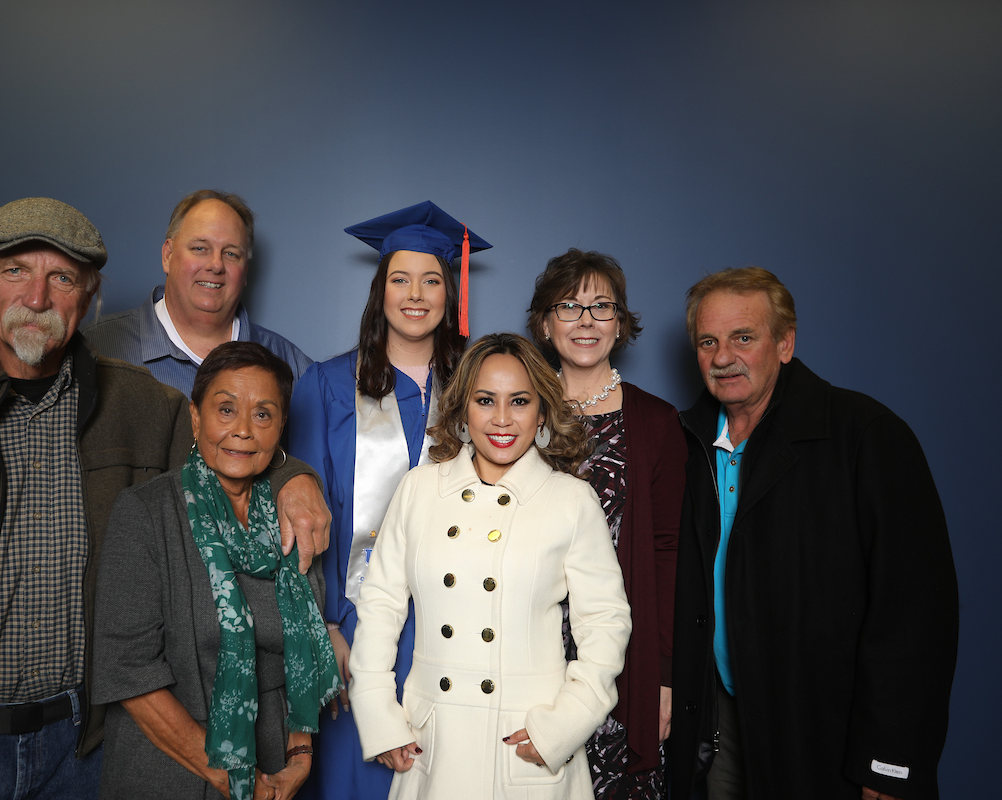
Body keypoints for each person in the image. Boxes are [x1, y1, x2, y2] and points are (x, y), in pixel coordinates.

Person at [0, 198, 325, 800]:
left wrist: (297, 479)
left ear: (90, 292)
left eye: (62, 278)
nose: (38, 297)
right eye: (15, 271)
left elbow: (240, 451)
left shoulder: (143, 407)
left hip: (88, 750)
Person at [669, 267, 958, 800]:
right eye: (708, 341)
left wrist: (889, 765)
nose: (724, 356)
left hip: (830, 738)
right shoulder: (684, 445)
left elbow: (916, 614)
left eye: (744, 338)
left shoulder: (865, 435)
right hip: (723, 727)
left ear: (785, 343)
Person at [348, 333, 633, 800]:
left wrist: (563, 726)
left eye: (519, 401)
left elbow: (605, 622)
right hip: (432, 743)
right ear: (462, 411)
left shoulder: (570, 500)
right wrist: (379, 715)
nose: (502, 419)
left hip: (526, 744)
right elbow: (379, 607)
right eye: (486, 400)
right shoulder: (419, 490)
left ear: (542, 412)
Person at [289, 201, 490, 800]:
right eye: (400, 280)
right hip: (356, 630)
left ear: (451, 295)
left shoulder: (482, 395)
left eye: (432, 280)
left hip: (461, 633)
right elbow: (300, 520)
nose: (416, 294)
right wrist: (321, 625)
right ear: (380, 293)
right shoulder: (325, 386)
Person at [92, 342, 341, 800]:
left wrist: (298, 760)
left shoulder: (294, 515)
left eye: (263, 414)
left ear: (281, 425)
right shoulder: (146, 512)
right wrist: (227, 776)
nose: (243, 431)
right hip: (168, 772)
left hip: (272, 771)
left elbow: (302, 649)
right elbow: (128, 671)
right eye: (225, 410)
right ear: (195, 417)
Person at [526, 249, 686, 799]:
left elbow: (666, 552)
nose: (586, 321)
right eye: (568, 307)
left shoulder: (656, 423)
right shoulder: (518, 416)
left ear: (620, 323)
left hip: (622, 657)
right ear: (545, 324)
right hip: (531, 648)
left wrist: (662, 675)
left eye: (601, 306)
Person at [84, 189, 313, 389]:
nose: (216, 265)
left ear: (245, 272)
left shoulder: (292, 365)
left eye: (231, 253)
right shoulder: (96, 347)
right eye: (200, 248)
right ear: (168, 256)